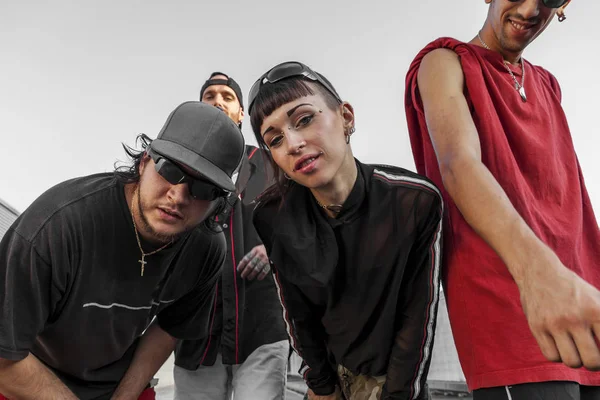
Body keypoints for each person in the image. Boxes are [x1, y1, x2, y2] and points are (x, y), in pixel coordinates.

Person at [405, 1, 600, 399]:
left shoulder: (547, 83)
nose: (530, 8)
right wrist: (540, 275)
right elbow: (458, 165)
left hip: (582, 295)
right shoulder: (444, 61)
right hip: (510, 302)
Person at [0, 101, 245, 400]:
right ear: (144, 163)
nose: (178, 196)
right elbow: (3, 358)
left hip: (113, 385)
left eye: (203, 188)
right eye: (170, 169)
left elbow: (169, 328)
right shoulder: (57, 227)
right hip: (25, 376)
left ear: (217, 202)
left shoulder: (206, 249)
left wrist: (124, 396)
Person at [248, 61, 443, 400]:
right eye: (275, 139)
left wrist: (398, 394)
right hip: (328, 382)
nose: (293, 143)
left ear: (346, 117)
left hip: (398, 382)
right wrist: (322, 388)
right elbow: (298, 314)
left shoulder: (413, 201)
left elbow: (418, 319)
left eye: (305, 119)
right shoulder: (273, 217)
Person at [173, 72, 289, 400]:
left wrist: (273, 250)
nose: (217, 102)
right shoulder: (175, 168)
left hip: (261, 326)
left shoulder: (272, 163)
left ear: (240, 113)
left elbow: (303, 224)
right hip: (195, 331)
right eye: (209, 96)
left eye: (227, 96)